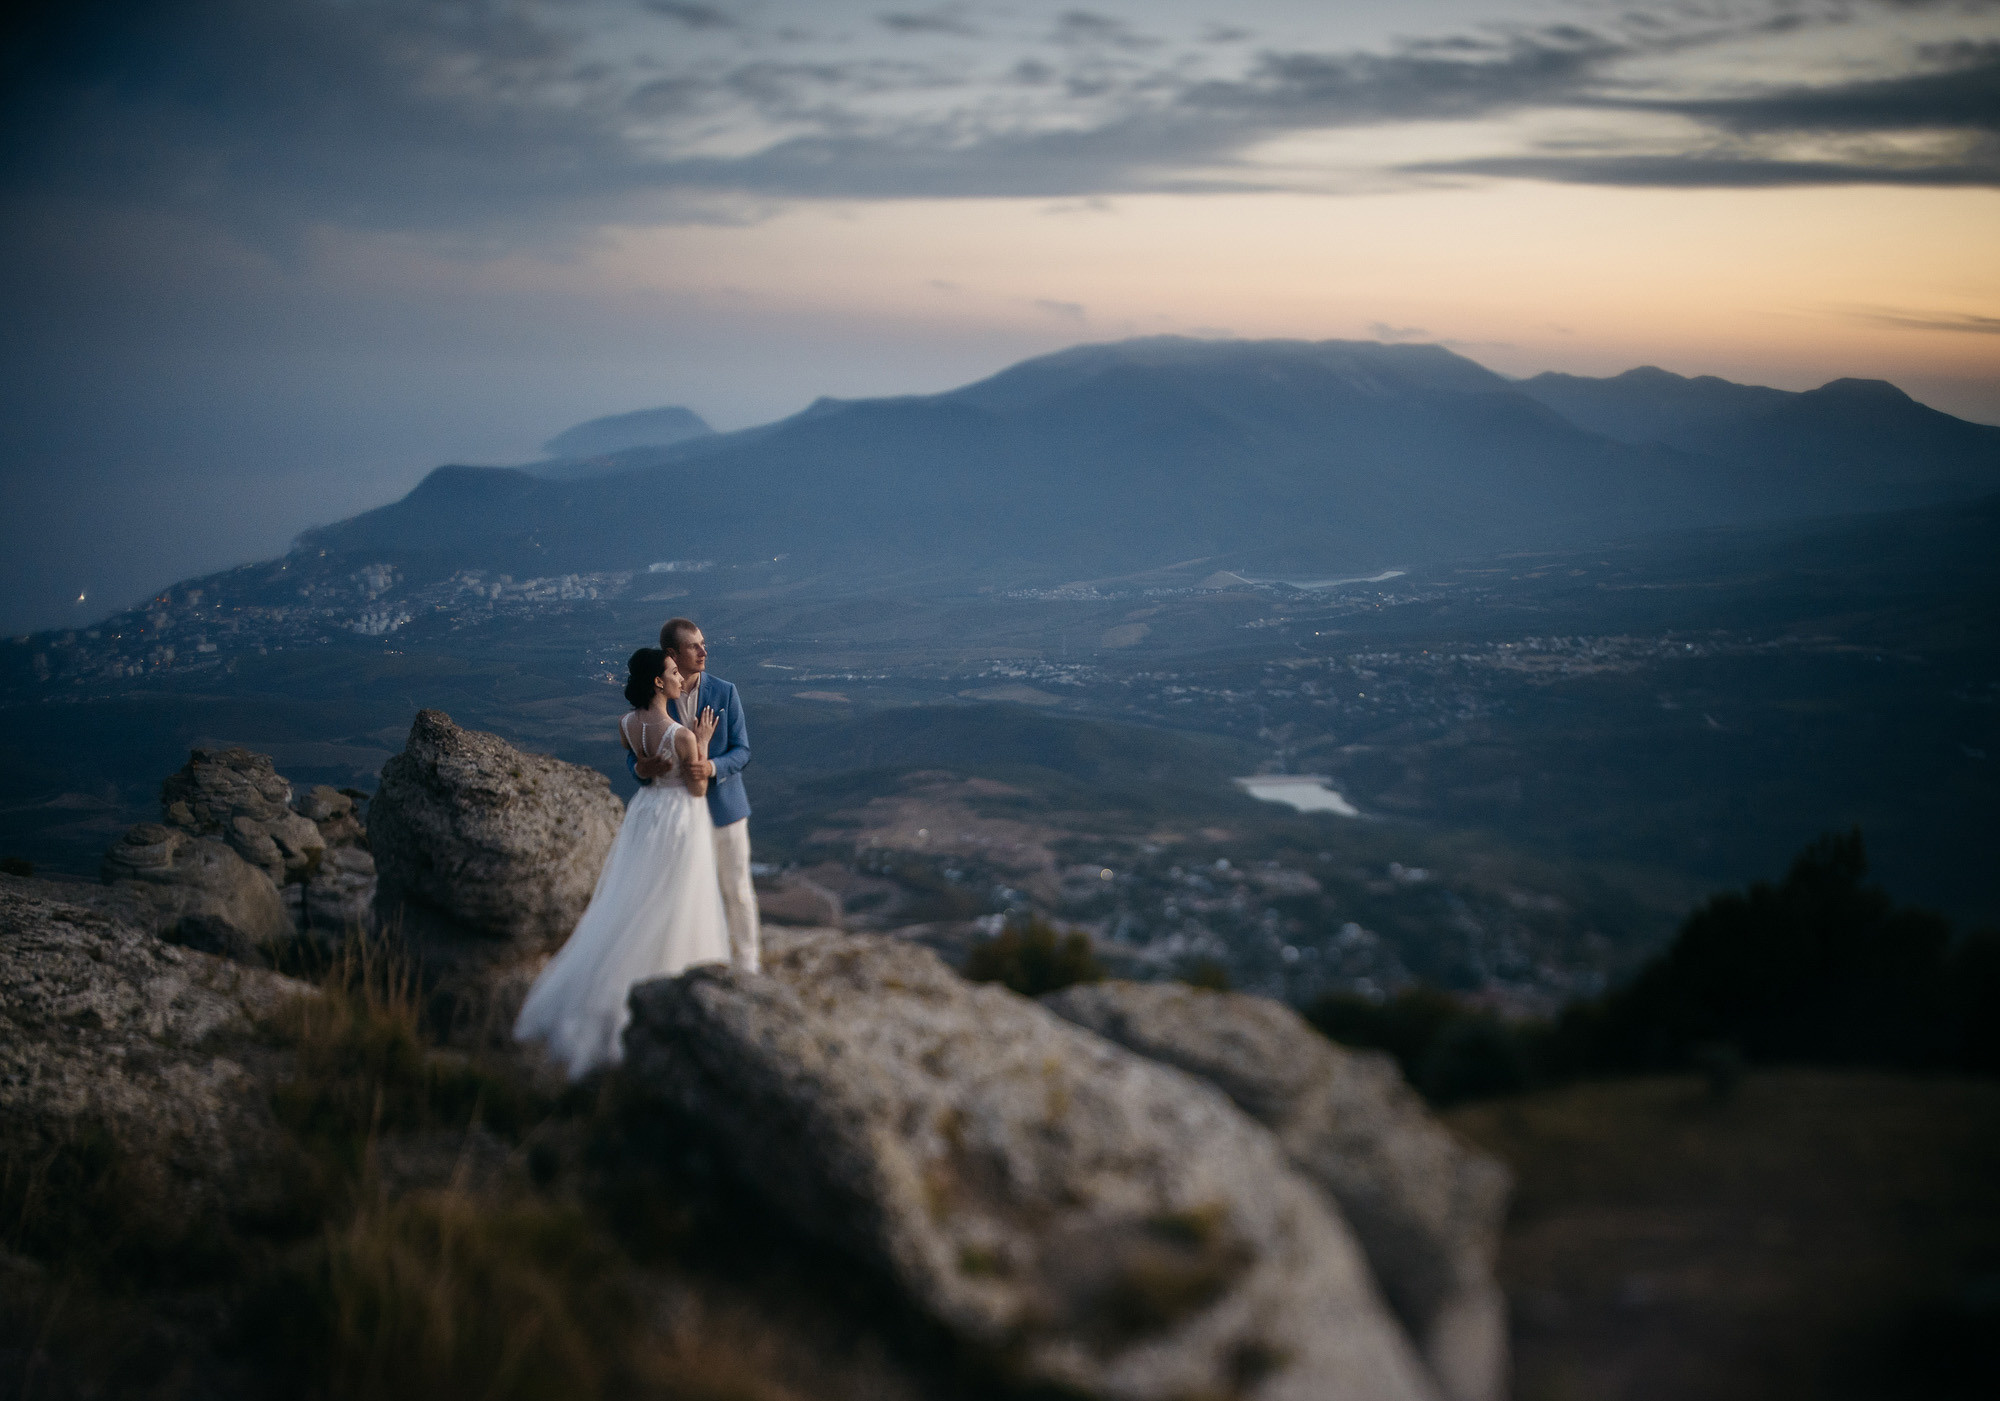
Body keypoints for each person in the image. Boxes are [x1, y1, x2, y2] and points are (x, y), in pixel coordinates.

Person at [513, 647, 729, 1078]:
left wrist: (649, 767)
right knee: (674, 898)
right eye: (673, 673)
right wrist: (703, 742)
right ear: (658, 682)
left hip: (644, 814)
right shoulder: (682, 737)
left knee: (632, 897)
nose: (680, 678)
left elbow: (643, 770)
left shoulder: (626, 724)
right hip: (679, 818)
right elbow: (697, 789)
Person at [629, 617, 760, 974]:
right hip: (676, 813)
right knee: (678, 891)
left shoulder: (725, 692)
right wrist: (641, 769)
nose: (704, 651)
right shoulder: (654, 695)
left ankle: (747, 965)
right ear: (672, 654)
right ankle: (681, 962)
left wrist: (711, 767)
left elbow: (742, 751)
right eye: (694, 646)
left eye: (703, 643)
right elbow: (635, 751)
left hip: (723, 809)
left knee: (736, 889)